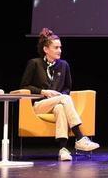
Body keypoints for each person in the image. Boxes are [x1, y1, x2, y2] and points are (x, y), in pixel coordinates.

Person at [20, 28, 99, 161]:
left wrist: (60, 96)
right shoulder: (34, 63)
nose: (60, 50)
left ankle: (63, 150)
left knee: (61, 107)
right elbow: (24, 86)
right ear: (46, 49)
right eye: (56, 47)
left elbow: (67, 87)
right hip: (39, 105)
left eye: (60, 47)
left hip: (57, 103)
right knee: (64, 99)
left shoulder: (64, 65)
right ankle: (79, 137)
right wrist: (43, 92)